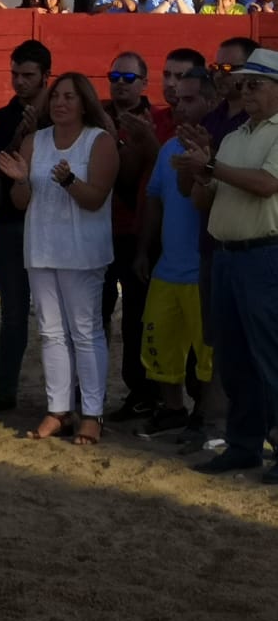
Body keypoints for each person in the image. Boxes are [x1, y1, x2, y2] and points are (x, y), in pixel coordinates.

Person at [0, 73, 118, 445]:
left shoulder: (99, 142)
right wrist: (19, 180)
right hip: (42, 246)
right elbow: (21, 202)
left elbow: (95, 198)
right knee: (50, 332)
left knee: (85, 331)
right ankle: (59, 409)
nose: (60, 103)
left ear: (85, 103)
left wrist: (68, 181)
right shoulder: (35, 141)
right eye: (56, 97)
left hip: (82, 251)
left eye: (69, 97)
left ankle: (93, 413)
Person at [180, 47, 278, 478]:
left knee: (269, 357)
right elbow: (204, 199)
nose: (245, 90)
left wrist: (213, 166)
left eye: (255, 83)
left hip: (264, 253)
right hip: (228, 254)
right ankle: (244, 444)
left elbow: (266, 185)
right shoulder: (236, 135)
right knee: (234, 359)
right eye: (243, 83)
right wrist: (202, 174)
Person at [133, 66, 214, 440]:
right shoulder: (168, 147)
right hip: (169, 266)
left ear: (211, 102)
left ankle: (208, 418)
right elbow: (155, 202)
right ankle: (174, 409)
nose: (180, 107)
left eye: (191, 99)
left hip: (204, 267)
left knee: (210, 353)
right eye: (178, 99)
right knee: (160, 342)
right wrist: (144, 251)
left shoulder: (221, 146)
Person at [0, 40, 51, 414]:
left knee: (55, 316)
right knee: (13, 313)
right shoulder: (2, 117)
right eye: (15, 74)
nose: (19, 82)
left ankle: (63, 397)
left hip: (51, 225)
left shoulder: (63, 115)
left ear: (46, 76)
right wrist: (20, 136)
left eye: (28, 75)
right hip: (13, 224)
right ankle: (5, 389)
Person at [102, 54, 160, 421]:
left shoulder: (160, 122)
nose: (120, 83)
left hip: (140, 232)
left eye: (128, 77)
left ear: (144, 82)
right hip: (99, 233)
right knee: (96, 315)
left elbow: (133, 179)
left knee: (137, 317)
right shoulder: (97, 118)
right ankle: (88, 392)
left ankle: (141, 392)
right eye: (114, 76)